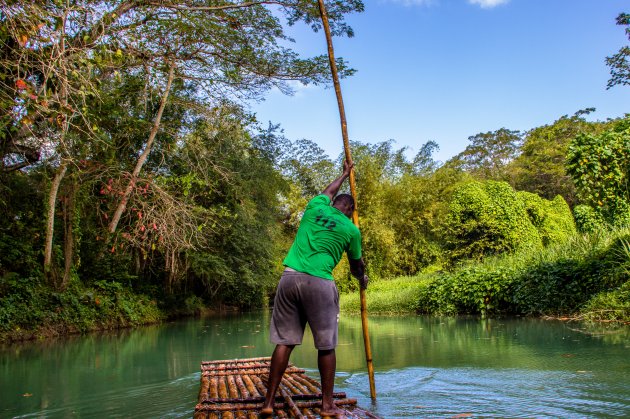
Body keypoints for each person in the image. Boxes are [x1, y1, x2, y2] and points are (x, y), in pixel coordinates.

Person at [261, 160, 368, 418]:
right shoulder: (352, 230)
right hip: (319, 282)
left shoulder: (315, 207)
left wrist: (343, 174)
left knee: (284, 343)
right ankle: (327, 405)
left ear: (334, 204)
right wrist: (362, 278)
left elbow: (329, 191)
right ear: (351, 210)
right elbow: (356, 266)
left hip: (289, 279)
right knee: (326, 347)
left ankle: (267, 402)